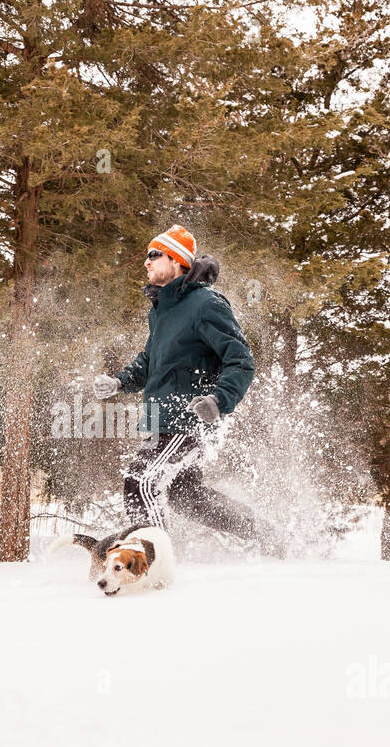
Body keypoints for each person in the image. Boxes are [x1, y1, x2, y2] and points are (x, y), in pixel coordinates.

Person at [94, 225, 285, 556]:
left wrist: (218, 400)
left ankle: (156, 561)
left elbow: (240, 361)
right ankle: (268, 535)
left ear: (176, 260)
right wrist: (120, 381)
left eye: (154, 255)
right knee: (188, 498)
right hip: (159, 423)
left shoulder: (205, 304)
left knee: (140, 482)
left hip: (186, 420)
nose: (146, 263)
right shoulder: (162, 311)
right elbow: (150, 361)